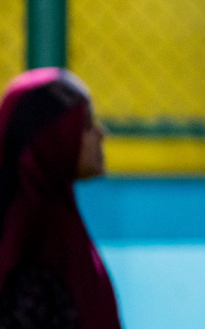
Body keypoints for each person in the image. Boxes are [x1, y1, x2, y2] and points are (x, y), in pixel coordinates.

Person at [0, 68, 118, 329]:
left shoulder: (60, 228)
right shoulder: (33, 250)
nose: (100, 134)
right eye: (86, 124)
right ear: (51, 137)